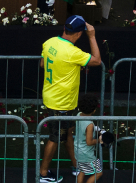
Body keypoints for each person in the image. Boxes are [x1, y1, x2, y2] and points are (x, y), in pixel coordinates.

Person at [39, 15, 101, 183]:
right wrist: (93, 36)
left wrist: (67, 69)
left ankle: (76, 165)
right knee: (55, 138)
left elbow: (43, 64)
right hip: (61, 102)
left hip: (54, 97)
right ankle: (43, 174)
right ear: (80, 33)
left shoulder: (50, 42)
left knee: (67, 134)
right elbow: (96, 60)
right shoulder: (73, 52)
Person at [74, 94, 103, 183]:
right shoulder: (89, 124)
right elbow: (89, 142)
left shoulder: (78, 115)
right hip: (87, 154)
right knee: (99, 172)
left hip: (77, 151)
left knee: (82, 171)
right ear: (94, 110)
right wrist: (100, 140)